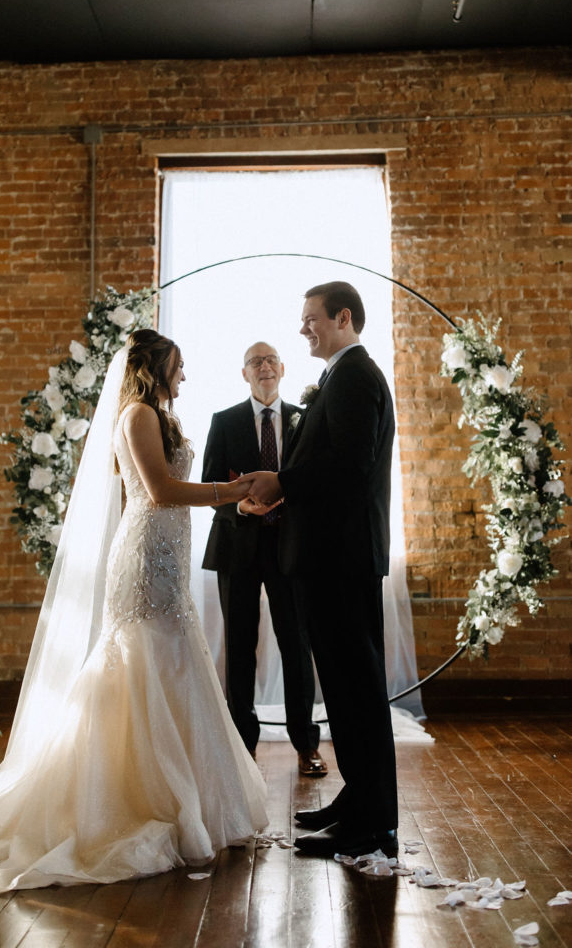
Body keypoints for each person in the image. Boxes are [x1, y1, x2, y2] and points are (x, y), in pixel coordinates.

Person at [0, 330, 267, 894]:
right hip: (144, 559)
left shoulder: (159, 415)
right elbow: (160, 491)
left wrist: (224, 495)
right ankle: (126, 798)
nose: (184, 375)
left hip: (166, 555)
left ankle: (194, 798)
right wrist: (227, 493)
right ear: (154, 367)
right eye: (178, 366)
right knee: (142, 658)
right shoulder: (137, 413)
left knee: (176, 659)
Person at [243, 282, 398, 859]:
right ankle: (357, 802)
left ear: (344, 317)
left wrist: (282, 481)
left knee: (356, 691)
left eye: (312, 318)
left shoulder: (355, 376)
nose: (303, 327)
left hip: (342, 560)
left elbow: (352, 468)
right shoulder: (340, 375)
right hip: (331, 558)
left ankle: (374, 823)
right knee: (345, 690)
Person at [201, 342, 325, 776]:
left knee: (297, 645)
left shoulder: (304, 419)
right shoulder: (225, 421)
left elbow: (313, 481)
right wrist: (238, 507)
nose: (265, 367)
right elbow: (211, 487)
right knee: (239, 649)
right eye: (256, 361)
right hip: (238, 548)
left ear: (283, 369)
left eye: (271, 360)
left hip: (291, 549)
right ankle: (242, 747)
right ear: (244, 374)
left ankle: (307, 745)